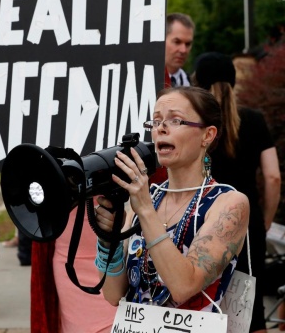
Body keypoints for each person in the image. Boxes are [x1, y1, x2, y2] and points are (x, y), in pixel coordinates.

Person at [0, 0, 118, 332]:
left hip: (118, 260)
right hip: (64, 256)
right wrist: (8, 3)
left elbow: (153, 85)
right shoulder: (38, 96)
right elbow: (7, 70)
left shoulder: (122, 86)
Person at [95, 86, 249, 314]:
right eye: (156, 122)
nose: (161, 129)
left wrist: (145, 210)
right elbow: (112, 294)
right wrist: (108, 241)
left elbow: (183, 286)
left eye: (176, 121)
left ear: (207, 135)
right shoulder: (150, 198)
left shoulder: (228, 203)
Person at [192, 51, 281, 333]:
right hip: (247, 226)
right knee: (250, 310)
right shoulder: (254, 119)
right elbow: (273, 176)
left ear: (198, 83)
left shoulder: (194, 126)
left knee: (202, 304)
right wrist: (263, 221)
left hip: (201, 224)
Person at [112, 0, 195, 88]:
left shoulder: (193, 86)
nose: (183, 50)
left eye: (188, 44)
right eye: (177, 41)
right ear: (161, 39)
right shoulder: (137, 79)